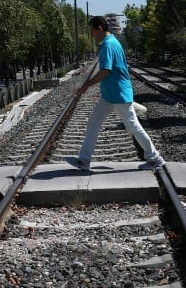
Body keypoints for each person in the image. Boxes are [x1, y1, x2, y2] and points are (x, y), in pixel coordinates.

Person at [65, 16, 165, 172]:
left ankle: (155, 158)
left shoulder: (108, 45)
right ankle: (84, 160)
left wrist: (87, 84)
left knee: (133, 126)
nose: (91, 35)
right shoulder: (112, 42)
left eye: (92, 31)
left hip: (118, 94)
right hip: (110, 95)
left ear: (99, 29)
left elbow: (105, 70)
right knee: (93, 123)